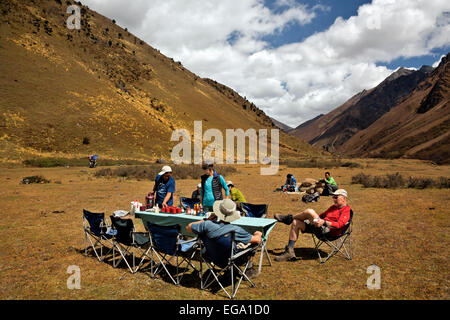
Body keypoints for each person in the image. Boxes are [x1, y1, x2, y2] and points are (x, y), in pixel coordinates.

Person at [186, 199, 262, 278]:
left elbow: (189, 227)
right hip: (231, 260)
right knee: (254, 244)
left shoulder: (206, 225)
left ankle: (231, 271)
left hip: (211, 256)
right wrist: (258, 233)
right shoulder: (236, 230)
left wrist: (205, 220)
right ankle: (249, 269)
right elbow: (257, 240)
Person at [273, 189, 351, 261]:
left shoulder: (347, 210)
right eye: (333, 197)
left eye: (336, 197)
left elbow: (339, 225)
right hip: (318, 226)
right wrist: (311, 219)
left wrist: (324, 222)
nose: (334, 199)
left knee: (310, 211)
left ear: (344, 198)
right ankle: (289, 252)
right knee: (295, 222)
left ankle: (288, 218)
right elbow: (322, 215)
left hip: (328, 231)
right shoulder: (333, 207)